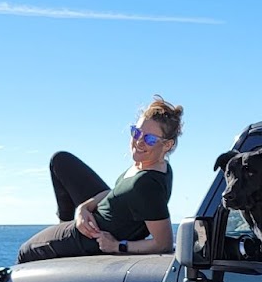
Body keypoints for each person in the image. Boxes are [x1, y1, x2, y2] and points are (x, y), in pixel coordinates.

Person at [16, 96, 183, 263]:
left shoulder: (147, 185)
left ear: (167, 145)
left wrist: (117, 246)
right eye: (136, 132)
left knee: (25, 252)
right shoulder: (154, 165)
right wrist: (85, 207)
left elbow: (164, 243)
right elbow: (117, 193)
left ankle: (64, 242)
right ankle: (63, 224)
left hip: (92, 237)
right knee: (60, 161)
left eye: (149, 139)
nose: (138, 141)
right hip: (101, 212)